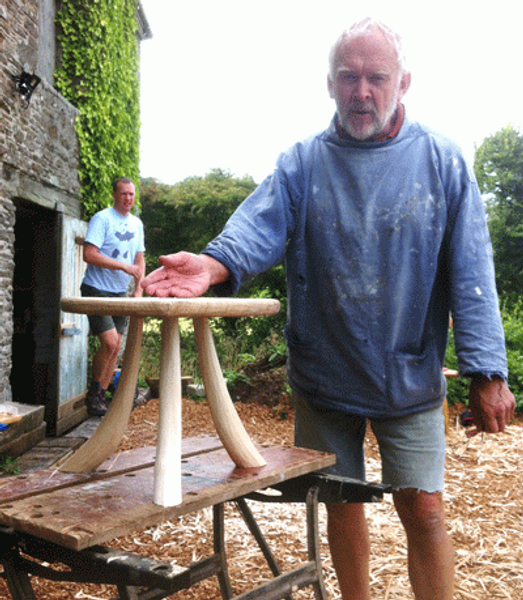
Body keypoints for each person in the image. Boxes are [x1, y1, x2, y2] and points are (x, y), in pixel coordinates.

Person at [141, 19, 515, 600]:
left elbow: (472, 269)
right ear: (330, 83)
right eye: (348, 77)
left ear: (404, 83)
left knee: (425, 510)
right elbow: (255, 228)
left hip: (409, 373)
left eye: (376, 77)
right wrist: (212, 266)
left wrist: (488, 371)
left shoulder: (442, 162)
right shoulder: (303, 163)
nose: (361, 91)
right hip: (325, 371)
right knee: (339, 502)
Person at [80, 177, 145, 416]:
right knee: (109, 342)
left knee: (115, 347)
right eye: (123, 194)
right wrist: (123, 267)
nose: (128, 198)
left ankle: (102, 397)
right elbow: (89, 254)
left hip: (120, 293)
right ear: (115, 195)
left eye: (131, 194)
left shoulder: (137, 224)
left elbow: (139, 260)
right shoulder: (102, 219)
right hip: (96, 288)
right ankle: (93, 394)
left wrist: (138, 289)